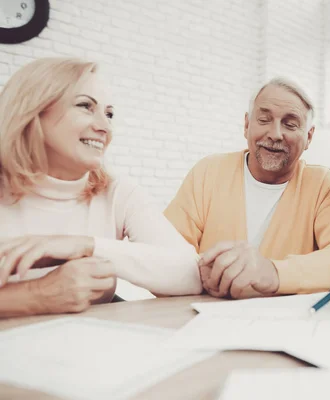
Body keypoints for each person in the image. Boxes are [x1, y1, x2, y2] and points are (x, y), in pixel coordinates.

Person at [0, 57, 202, 317]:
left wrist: (87, 246)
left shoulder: (117, 192)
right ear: (32, 111)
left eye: (109, 114)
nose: (105, 127)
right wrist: (37, 295)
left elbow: (191, 274)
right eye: (85, 106)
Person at [165, 77, 330, 299]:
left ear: (308, 137)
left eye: (290, 124)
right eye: (264, 119)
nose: (275, 134)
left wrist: (273, 273)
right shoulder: (208, 172)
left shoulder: (325, 187)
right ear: (247, 125)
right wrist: (201, 274)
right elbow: (165, 248)